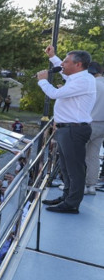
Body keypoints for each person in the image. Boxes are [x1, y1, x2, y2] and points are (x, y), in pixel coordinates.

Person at [40, 46, 96, 213]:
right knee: (66, 167)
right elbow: (65, 73)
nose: (62, 64)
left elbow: (55, 94)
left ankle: (71, 203)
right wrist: (52, 57)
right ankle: (67, 197)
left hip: (74, 130)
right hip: (68, 129)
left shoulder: (83, 81)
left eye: (66, 61)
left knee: (75, 169)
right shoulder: (77, 78)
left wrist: (42, 80)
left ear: (78, 65)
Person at [83, 61, 104, 194]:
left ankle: (82, 185)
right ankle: (91, 185)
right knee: (93, 156)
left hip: (89, 123)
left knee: (80, 155)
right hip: (102, 125)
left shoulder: (91, 84)